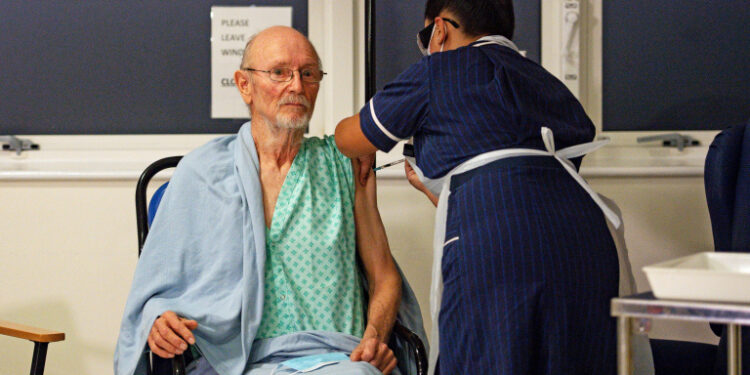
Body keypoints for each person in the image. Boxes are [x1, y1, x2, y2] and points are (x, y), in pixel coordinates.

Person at [115, 26, 425, 375]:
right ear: (244, 85)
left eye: (308, 73)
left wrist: (374, 338)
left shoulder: (346, 164)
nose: (296, 86)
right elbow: (157, 289)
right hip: (233, 362)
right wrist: (158, 320)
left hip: (336, 359)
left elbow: (384, 276)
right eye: (279, 72)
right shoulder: (200, 173)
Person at [335, 1, 620, 374]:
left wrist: (345, 135)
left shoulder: (438, 70)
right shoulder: (547, 83)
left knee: (483, 358)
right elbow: (527, 191)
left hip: (498, 250)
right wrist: (431, 188)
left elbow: (351, 139)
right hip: (587, 242)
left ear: (439, 29)